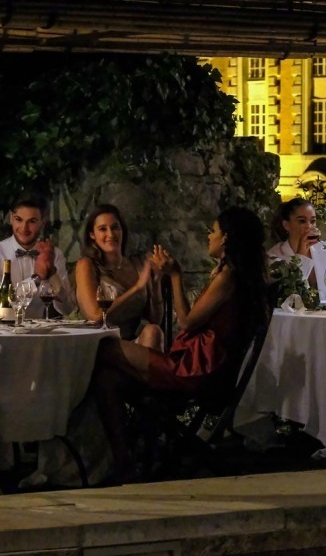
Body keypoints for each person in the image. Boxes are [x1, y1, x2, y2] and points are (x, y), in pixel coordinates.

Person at [91, 206, 270, 483]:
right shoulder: (233, 275)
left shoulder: (228, 278)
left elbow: (186, 322)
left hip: (197, 372)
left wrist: (176, 276)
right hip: (202, 368)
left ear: (225, 239)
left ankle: (126, 452)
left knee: (103, 347)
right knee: (106, 379)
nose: (209, 236)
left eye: (213, 231)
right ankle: (125, 461)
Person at [74, 203, 164, 349]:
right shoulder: (87, 265)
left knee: (153, 331)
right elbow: (95, 316)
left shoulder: (138, 265)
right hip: (100, 344)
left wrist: (155, 284)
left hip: (133, 342)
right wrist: (137, 287)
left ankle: (154, 369)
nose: (111, 234)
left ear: (122, 231)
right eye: (103, 229)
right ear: (92, 235)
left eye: (115, 227)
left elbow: (155, 320)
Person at [0, 193, 75, 319]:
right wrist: (37, 279)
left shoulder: (53, 254)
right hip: (1, 334)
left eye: (32, 221)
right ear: (11, 218)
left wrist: (52, 273)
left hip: (39, 335)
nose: (24, 228)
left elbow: (67, 309)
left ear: (43, 222)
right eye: (19, 219)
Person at [267, 197, 326, 302]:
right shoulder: (274, 256)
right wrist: (301, 256)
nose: (309, 226)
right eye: (302, 221)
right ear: (286, 225)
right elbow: (288, 297)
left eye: (312, 221)